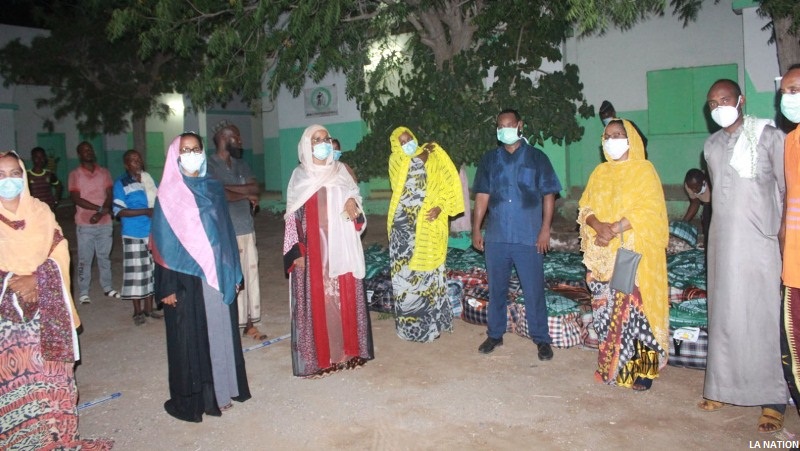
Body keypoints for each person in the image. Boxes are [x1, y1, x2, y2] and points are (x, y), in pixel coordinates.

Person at [0, 151, 112, 449]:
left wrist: (38, 278)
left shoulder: (40, 212)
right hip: (7, 319)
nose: (8, 180)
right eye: (1, 175)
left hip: (47, 309)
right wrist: (11, 281)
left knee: (50, 375)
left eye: (14, 173)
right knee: (14, 379)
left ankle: (55, 436)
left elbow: (59, 249)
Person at [698, 79, 787, 433]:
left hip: (760, 243)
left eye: (725, 100)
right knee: (725, 315)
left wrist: (782, 235)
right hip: (722, 242)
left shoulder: (769, 136)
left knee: (762, 317)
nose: (719, 107)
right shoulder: (711, 145)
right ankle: (723, 387)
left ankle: (773, 400)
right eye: (712, 103)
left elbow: (785, 188)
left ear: (741, 100)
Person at [151, 132, 251, 422]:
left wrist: (233, 270)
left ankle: (225, 390)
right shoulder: (168, 193)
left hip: (217, 273)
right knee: (192, 338)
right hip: (185, 278)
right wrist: (166, 285)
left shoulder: (213, 188)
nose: (192, 154)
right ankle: (202, 398)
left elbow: (225, 233)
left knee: (220, 331)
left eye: (196, 149)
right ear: (175, 155)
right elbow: (162, 242)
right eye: (185, 150)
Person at [577, 119, 669, 391]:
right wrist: (598, 226)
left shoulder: (644, 171)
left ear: (631, 139)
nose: (612, 140)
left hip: (633, 251)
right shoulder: (599, 173)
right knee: (607, 312)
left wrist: (615, 228)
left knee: (638, 313)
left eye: (618, 135)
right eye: (607, 136)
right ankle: (613, 365)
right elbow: (585, 206)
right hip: (603, 252)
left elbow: (649, 210)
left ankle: (644, 371)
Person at [283, 124, 374, 377]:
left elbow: (356, 199)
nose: (323, 143)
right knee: (320, 298)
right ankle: (323, 357)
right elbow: (292, 217)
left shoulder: (341, 171)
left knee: (341, 294)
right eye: (316, 139)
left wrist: (352, 202)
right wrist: (296, 253)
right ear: (306, 145)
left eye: (326, 138)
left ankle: (348, 352)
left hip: (340, 244)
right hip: (313, 249)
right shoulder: (300, 176)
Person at [472, 108, 562, 361]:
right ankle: (495, 334)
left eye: (509, 125)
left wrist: (545, 229)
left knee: (533, 290)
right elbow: (482, 196)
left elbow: (549, 194)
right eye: (500, 126)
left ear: (520, 125)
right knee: (496, 289)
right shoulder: (490, 160)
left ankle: (541, 339)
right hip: (497, 236)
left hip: (528, 236)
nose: (505, 130)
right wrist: (476, 228)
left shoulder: (537, 158)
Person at [387, 126, 464, 342]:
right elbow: (399, 188)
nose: (406, 143)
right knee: (405, 279)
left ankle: (431, 327)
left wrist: (440, 206)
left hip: (428, 225)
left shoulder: (434, 153)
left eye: (408, 138)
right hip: (402, 227)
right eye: (401, 142)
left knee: (428, 275)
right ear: (396, 145)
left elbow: (446, 185)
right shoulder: (396, 160)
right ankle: (408, 328)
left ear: (414, 136)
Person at [207, 121, 267, 342]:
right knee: (231, 278)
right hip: (225, 231)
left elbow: (255, 188)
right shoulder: (209, 165)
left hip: (246, 228)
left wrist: (232, 190)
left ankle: (249, 323)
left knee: (250, 277)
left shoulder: (241, 165)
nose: (241, 142)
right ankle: (231, 323)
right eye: (237, 138)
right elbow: (217, 193)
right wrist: (243, 195)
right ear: (225, 138)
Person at [113, 149, 161, 325]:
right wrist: (145, 211)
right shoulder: (121, 183)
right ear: (126, 164)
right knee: (136, 273)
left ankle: (149, 309)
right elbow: (119, 211)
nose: (137, 162)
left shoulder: (148, 179)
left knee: (151, 271)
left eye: (138, 158)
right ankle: (137, 311)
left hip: (151, 232)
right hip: (133, 233)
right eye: (133, 160)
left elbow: (159, 199)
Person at [68, 141, 119, 304]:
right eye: (84, 150)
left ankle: (108, 287)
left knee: (104, 257)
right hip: (85, 224)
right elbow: (76, 199)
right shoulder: (75, 174)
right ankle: (83, 291)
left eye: (90, 149)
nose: (88, 152)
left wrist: (102, 212)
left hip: (104, 224)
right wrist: (99, 210)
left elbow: (110, 194)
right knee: (85, 259)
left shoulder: (104, 172)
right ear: (79, 155)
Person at [779, 63, 800, 417]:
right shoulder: (791, 142)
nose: (788, 98)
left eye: (795, 90)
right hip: (794, 266)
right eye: (784, 93)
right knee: (795, 344)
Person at [682, 168, 712, 248]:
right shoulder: (689, 185)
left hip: (717, 202)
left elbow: (709, 209)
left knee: (707, 222)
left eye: (696, 187)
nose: (693, 190)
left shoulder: (711, 184)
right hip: (707, 202)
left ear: (703, 182)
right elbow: (695, 202)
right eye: (691, 188)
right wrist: (684, 222)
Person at [27, 146, 63, 211]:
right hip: (33, 210)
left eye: (42, 157)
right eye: (36, 157)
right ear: (32, 158)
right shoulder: (27, 175)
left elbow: (59, 185)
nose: (40, 160)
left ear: (45, 158)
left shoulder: (49, 174)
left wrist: (56, 199)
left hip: (48, 208)